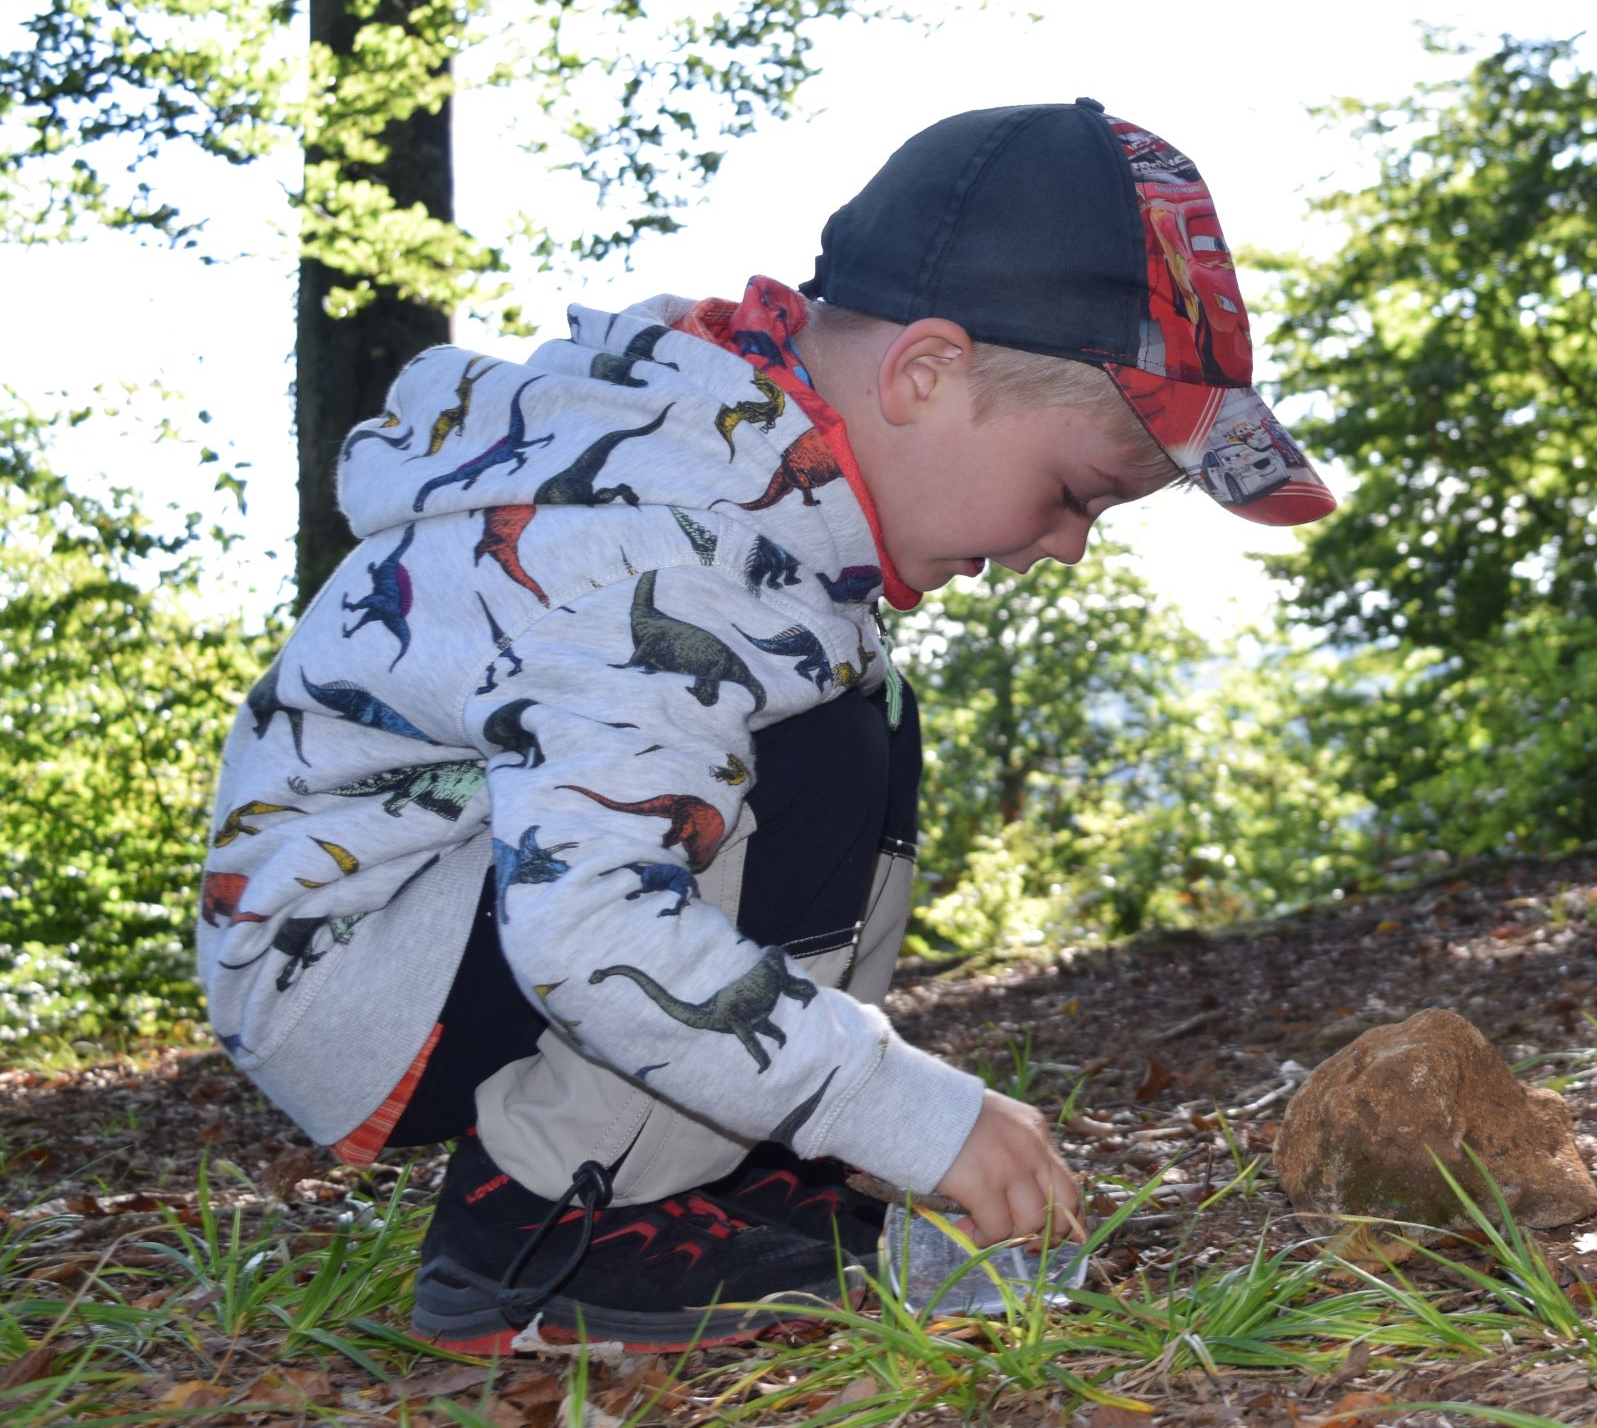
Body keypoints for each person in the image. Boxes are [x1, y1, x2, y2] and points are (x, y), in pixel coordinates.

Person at [197, 103, 1336, 1349]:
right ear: (924, 373)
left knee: (851, 707)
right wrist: (899, 1102)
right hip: (355, 964)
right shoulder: (656, 548)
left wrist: (841, 1110)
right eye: (1074, 492)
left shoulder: (748, 501)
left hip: (467, 919)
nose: (1064, 545)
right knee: (808, 735)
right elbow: (588, 918)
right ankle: (544, 1223)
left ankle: (716, 1169)